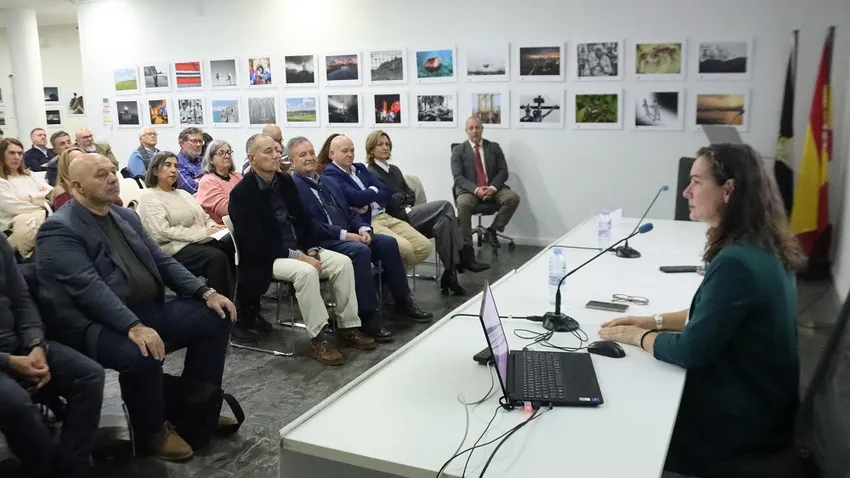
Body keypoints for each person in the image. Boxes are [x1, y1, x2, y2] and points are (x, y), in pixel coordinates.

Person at [599, 143, 804, 478]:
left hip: (739, 429)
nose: (686, 192)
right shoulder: (763, 243)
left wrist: (638, 337)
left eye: (696, 182)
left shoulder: (737, 262)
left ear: (728, 189)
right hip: (768, 409)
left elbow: (690, 351)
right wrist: (652, 320)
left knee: (625, 414)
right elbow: (714, 310)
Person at [35, 153, 238, 462]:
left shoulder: (124, 216)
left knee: (216, 316)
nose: (112, 178)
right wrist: (133, 326)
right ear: (77, 187)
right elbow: (89, 288)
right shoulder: (59, 229)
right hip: (93, 325)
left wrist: (205, 292)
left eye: (113, 171)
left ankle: (198, 407)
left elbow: (161, 260)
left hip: (144, 310)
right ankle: (151, 430)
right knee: (140, 352)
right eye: (100, 175)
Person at [229, 134, 377, 365]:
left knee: (342, 263)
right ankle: (318, 339)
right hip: (267, 257)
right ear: (252, 158)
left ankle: (348, 327)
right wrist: (299, 256)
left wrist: (312, 249)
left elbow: (303, 221)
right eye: (268, 151)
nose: (276, 155)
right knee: (306, 272)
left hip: (298, 248)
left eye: (276, 150)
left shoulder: (284, 181)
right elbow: (256, 243)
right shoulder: (241, 194)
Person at [288, 136, 432, 330]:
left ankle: (402, 300)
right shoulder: (292, 188)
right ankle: (367, 315)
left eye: (311, 153)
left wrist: (363, 228)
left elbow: (349, 211)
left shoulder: (327, 181)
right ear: (292, 161)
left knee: (388, 243)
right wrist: (346, 235)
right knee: (360, 251)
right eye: (302, 155)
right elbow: (309, 225)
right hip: (322, 240)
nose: (309, 158)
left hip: (347, 234)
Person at [0, 232, 105, 478]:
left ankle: (72, 467)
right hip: (6, 360)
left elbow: (21, 300)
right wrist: (9, 362)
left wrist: (35, 344)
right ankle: (47, 469)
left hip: (19, 344)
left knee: (89, 375)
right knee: (15, 402)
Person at [365, 130, 490, 286]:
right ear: (371, 149)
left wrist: (402, 197)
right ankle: (463, 255)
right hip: (397, 218)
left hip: (409, 211)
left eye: (387, 144)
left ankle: (450, 273)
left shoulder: (394, 169)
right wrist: (402, 197)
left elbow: (409, 194)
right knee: (445, 205)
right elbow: (390, 203)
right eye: (380, 144)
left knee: (445, 221)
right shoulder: (371, 172)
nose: (385, 147)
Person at [322, 134, 433, 270]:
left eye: (352, 150)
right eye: (345, 151)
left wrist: (369, 200)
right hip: (368, 221)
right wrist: (373, 190)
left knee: (425, 247)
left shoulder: (360, 168)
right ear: (331, 154)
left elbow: (385, 190)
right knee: (406, 250)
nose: (350, 154)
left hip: (384, 215)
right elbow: (356, 198)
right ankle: (391, 275)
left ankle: (389, 273)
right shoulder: (331, 175)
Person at [136, 151, 235, 300]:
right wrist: (203, 233)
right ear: (155, 170)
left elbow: (204, 217)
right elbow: (161, 232)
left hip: (196, 241)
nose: (173, 170)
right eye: (168, 165)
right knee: (216, 257)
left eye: (176, 166)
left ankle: (237, 299)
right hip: (172, 248)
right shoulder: (148, 197)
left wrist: (215, 228)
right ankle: (221, 305)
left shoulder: (184, 194)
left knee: (230, 245)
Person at [451, 116, 521, 253]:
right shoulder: (458, 150)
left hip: (493, 188)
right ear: (466, 131)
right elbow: (458, 177)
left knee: (512, 198)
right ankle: (466, 247)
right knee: (463, 204)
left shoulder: (494, 147)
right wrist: (476, 190)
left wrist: (492, 188)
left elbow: (503, 171)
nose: (474, 131)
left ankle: (492, 230)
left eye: (477, 127)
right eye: (471, 128)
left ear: (482, 129)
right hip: (469, 190)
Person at [0, 138, 54, 260]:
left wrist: (30, 198)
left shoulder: (30, 175)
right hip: (14, 233)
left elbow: (52, 194)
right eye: (11, 153)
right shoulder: (2, 181)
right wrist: (44, 204)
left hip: (42, 224)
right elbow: (14, 208)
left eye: (20, 153)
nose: (17, 157)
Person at [50, 147, 123, 211]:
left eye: (113, 172)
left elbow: (118, 204)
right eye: (76, 162)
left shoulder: (98, 184)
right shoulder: (61, 190)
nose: (113, 179)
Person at [196, 140, 243, 225]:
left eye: (229, 152)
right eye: (221, 153)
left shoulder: (237, 176)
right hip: (223, 228)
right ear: (211, 159)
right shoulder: (208, 181)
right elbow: (226, 210)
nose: (227, 156)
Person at [175, 127, 206, 195]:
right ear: (182, 143)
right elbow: (192, 189)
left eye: (200, 141)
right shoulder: (177, 162)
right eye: (194, 141)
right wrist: (208, 182)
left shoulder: (204, 161)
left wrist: (200, 181)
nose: (198, 145)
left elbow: (217, 180)